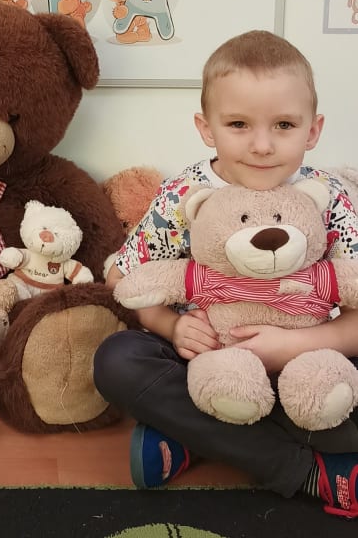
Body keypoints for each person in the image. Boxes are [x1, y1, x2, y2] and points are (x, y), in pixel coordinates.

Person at [94, 30, 358, 519]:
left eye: (284, 125)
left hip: (312, 359)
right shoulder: (184, 195)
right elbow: (124, 278)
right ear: (206, 127)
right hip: (212, 358)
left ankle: (195, 436)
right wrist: (171, 325)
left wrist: (294, 345)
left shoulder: (329, 196)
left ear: (313, 130)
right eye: (238, 124)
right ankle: (305, 468)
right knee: (118, 359)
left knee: (337, 395)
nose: (262, 145)